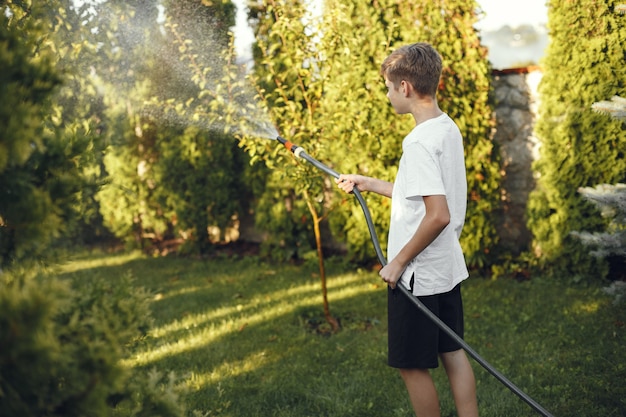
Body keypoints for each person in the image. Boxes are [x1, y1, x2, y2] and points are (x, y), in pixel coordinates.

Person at [336, 42, 479, 417]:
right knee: (452, 352)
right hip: (445, 267)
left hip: (417, 276)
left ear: (405, 88)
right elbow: (423, 195)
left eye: (387, 87)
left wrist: (398, 262)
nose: (387, 95)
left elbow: (437, 215)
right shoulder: (445, 128)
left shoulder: (417, 142)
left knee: (411, 365)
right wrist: (370, 183)